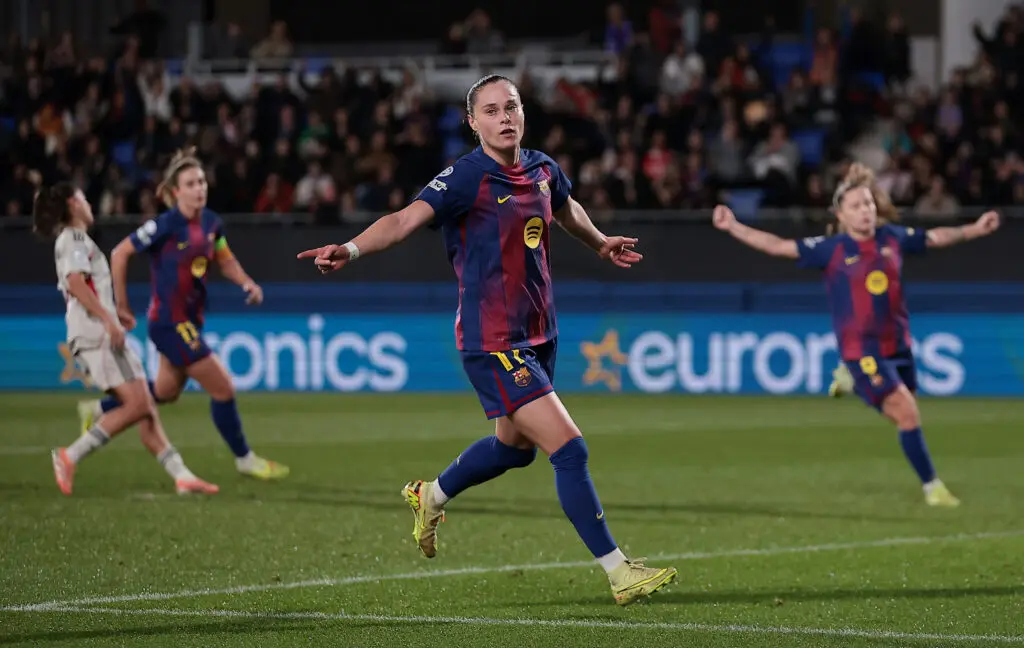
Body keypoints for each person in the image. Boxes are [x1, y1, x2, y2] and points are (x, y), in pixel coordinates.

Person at [297, 74, 677, 606]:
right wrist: (351, 249)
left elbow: (565, 207)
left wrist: (598, 243)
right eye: (493, 110)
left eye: (513, 107)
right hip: (493, 338)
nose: (505, 118)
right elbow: (404, 220)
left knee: (513, 450)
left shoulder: (543, 168)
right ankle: (619, 571)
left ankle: (430, 495)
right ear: (472, 122)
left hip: (539, 332)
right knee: (569, 448)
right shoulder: (464, 178)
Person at [712, 173, 1000, 507]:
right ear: (841, 216)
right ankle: (932, 488)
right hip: (862, 350)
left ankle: (851, 380)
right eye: (856, 205)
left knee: (907, 412)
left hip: (899, 345)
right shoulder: (831, 250)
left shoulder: (892, 237)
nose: (866, 210)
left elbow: (935, 237)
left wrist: (975, 229)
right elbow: (778, 246)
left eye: (868, 202)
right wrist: (733, 226)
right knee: (907, 414)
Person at [80, 148, 289, 481]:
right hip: (168, 323)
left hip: (190, 322)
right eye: (191, 183)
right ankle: (244, 458)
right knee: (223, 388)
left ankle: (99, 408)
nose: (200, 188)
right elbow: (120, 253)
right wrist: (120, 306)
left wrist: (247, 282)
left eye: (202, 181)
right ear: (175, 192)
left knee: (165, 392)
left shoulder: (211, 223)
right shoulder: (165, 225)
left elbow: (225, 259)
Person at [36, 182, 218, 496]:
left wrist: (115, 313)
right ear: (72, 204)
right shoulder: (74, 238)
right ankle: (70, 455)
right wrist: (108, 321)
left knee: (145, 405)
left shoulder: (78, 240)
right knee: (136, 405)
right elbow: (75, 282)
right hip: (96, 335)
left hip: (102, 331)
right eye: (82, 196)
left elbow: (85, 285)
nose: (88, 201)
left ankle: (182, 476)